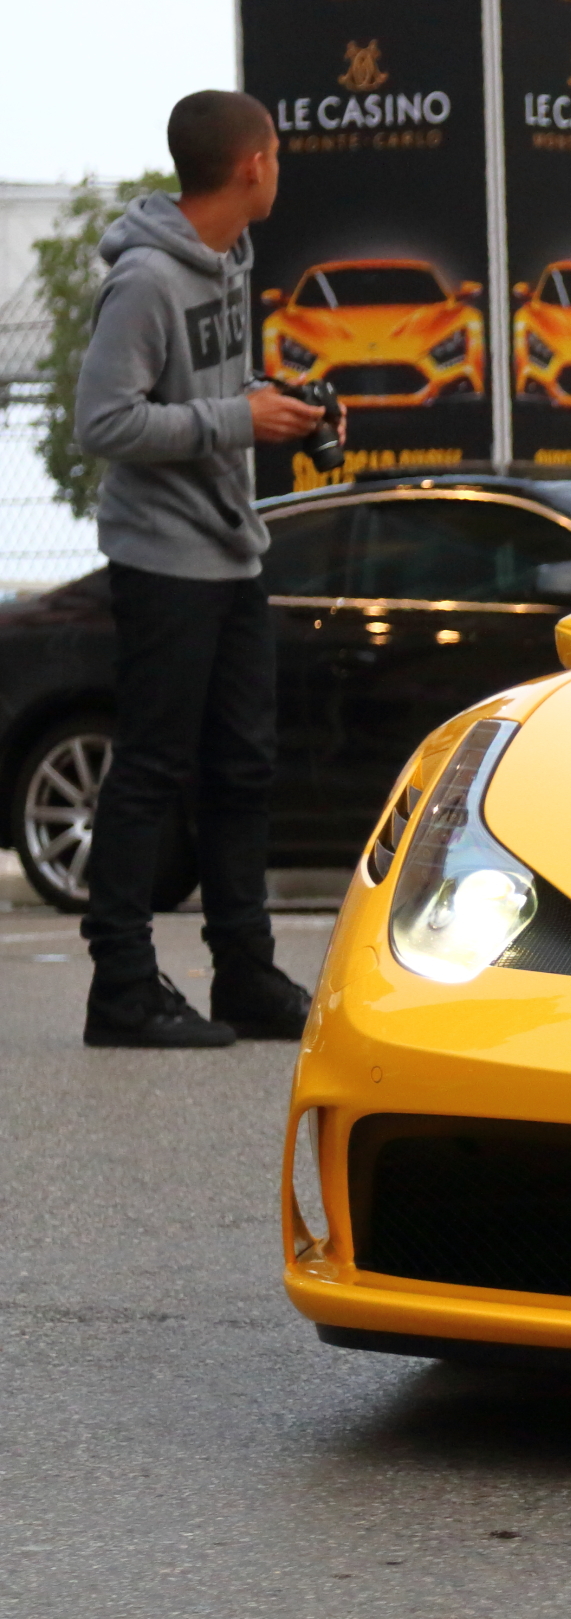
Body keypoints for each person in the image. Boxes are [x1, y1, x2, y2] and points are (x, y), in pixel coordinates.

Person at [72, 90, 325, 1048]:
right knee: (151, 767)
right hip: (162, 558)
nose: (279, 167)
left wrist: (277, 406)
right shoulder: (145, 280)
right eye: (277, 154)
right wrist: (235, 419)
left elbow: (213, 393)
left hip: (230, 548)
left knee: (241, 766)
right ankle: (122, 988)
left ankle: (246, 974)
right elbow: (103, 423)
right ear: (251, 165)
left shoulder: (226, 263)